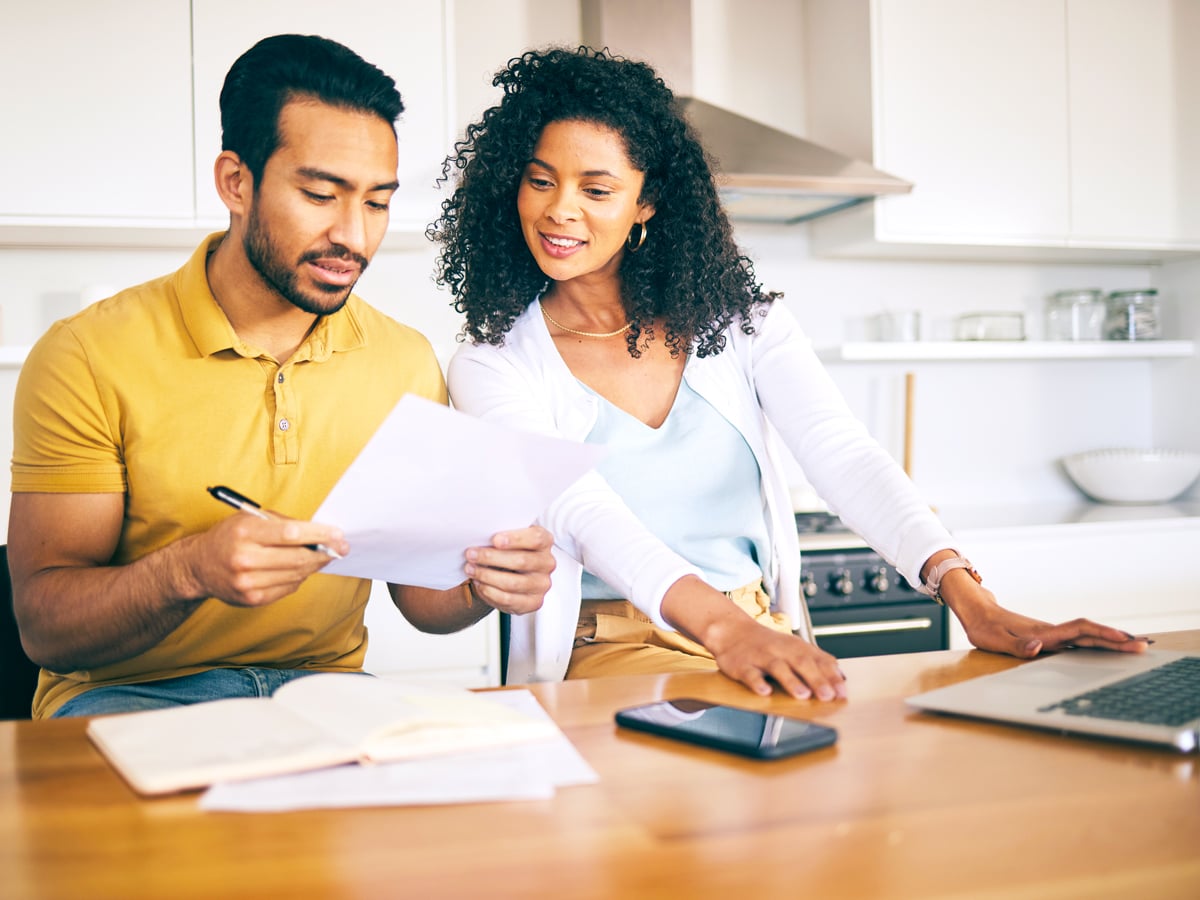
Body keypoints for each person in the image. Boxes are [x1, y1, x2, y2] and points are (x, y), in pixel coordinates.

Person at [430, 46, 1148, 700]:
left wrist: (973, 603)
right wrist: (722, 631)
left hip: (759, 630)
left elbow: (844, 455)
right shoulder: (493, 363)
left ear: (645, 203)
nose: (560, 210)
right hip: (613, 651)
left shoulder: (742, 324)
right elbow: (582, 514)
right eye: (540, 181)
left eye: (596, 189)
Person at [9, 34, 555, 720]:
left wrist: (488, 583)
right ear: (236, 182)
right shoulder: (87, 355)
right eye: (321, 194)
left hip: (325, 696)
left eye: (377, 202)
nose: (354, 236)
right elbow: (45, 628)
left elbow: (422, 602)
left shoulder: (404, 361)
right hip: (127, 698)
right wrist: (189, 571)